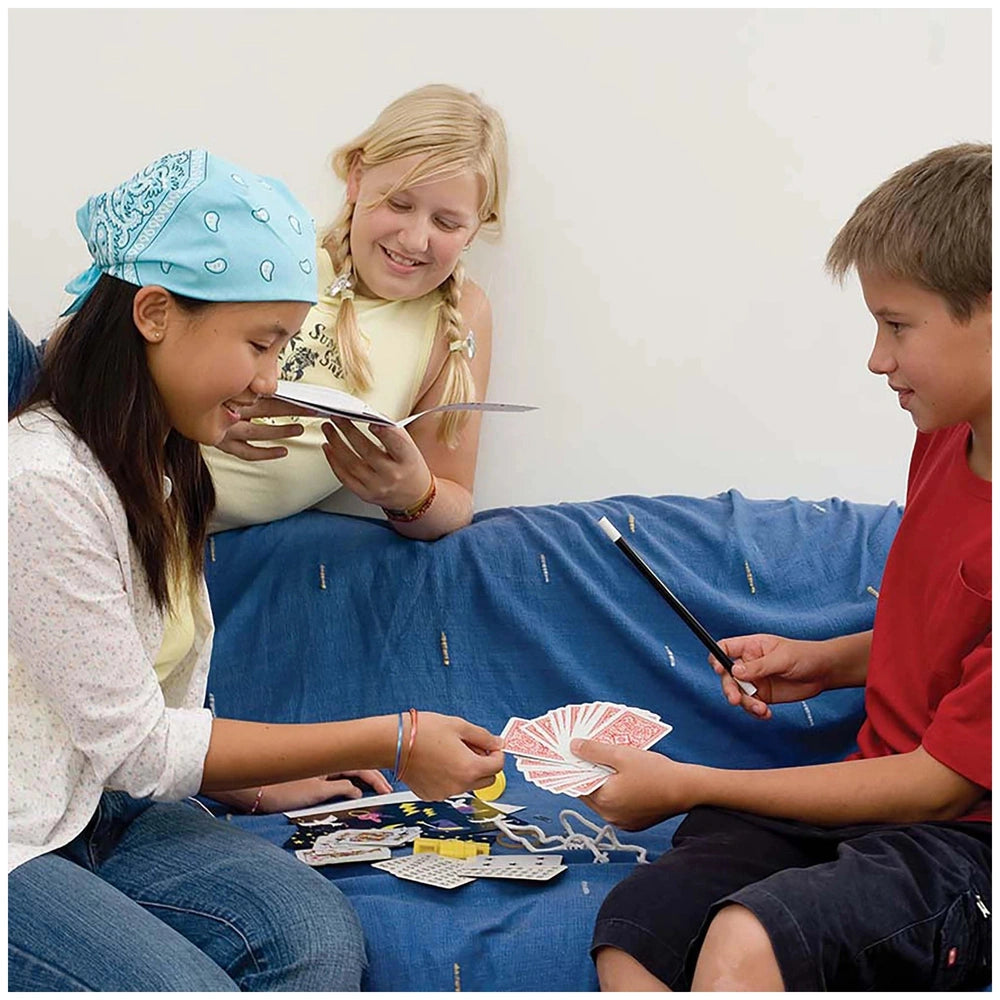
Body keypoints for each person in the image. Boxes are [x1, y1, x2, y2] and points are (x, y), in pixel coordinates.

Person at [8, 149, 505, 991]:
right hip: (19, 830)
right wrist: (396, 737)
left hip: (102, 808)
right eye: (261, 344)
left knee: (313, 940)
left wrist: (248, 785)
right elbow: (137, 748)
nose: (273, 382)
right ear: (155, 313)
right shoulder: (42, 484)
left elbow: (136, 709)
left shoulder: (165, 470)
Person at [572, 143, 991, 992]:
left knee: (746, 938)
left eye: (897, 326)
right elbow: (956, 634)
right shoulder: (946, 438)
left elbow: (940, 786)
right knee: (636, 923)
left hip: (965, 839)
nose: (878, 359)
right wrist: (827, 661)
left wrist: (687, 780)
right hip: (879, 801)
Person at [205, 83, 509, 539]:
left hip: (185, 533)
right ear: (356, 176)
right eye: (399, 204)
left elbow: (455, 498)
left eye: (446, 223)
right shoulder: (284, 253)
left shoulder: (458, 318)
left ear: (475, 230)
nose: (413, 240)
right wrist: (196, 415)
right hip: (126, 469)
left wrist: (413, 494)